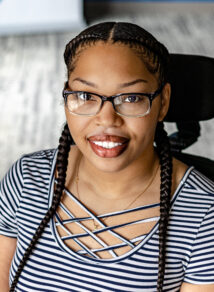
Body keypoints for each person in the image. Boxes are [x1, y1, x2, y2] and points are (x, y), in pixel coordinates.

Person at [0, 22, 214, 292]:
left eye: (131, 97)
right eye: (85, 95)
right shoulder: (25, 180)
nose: (106, 119)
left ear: (164, 102)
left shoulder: (204, 216)